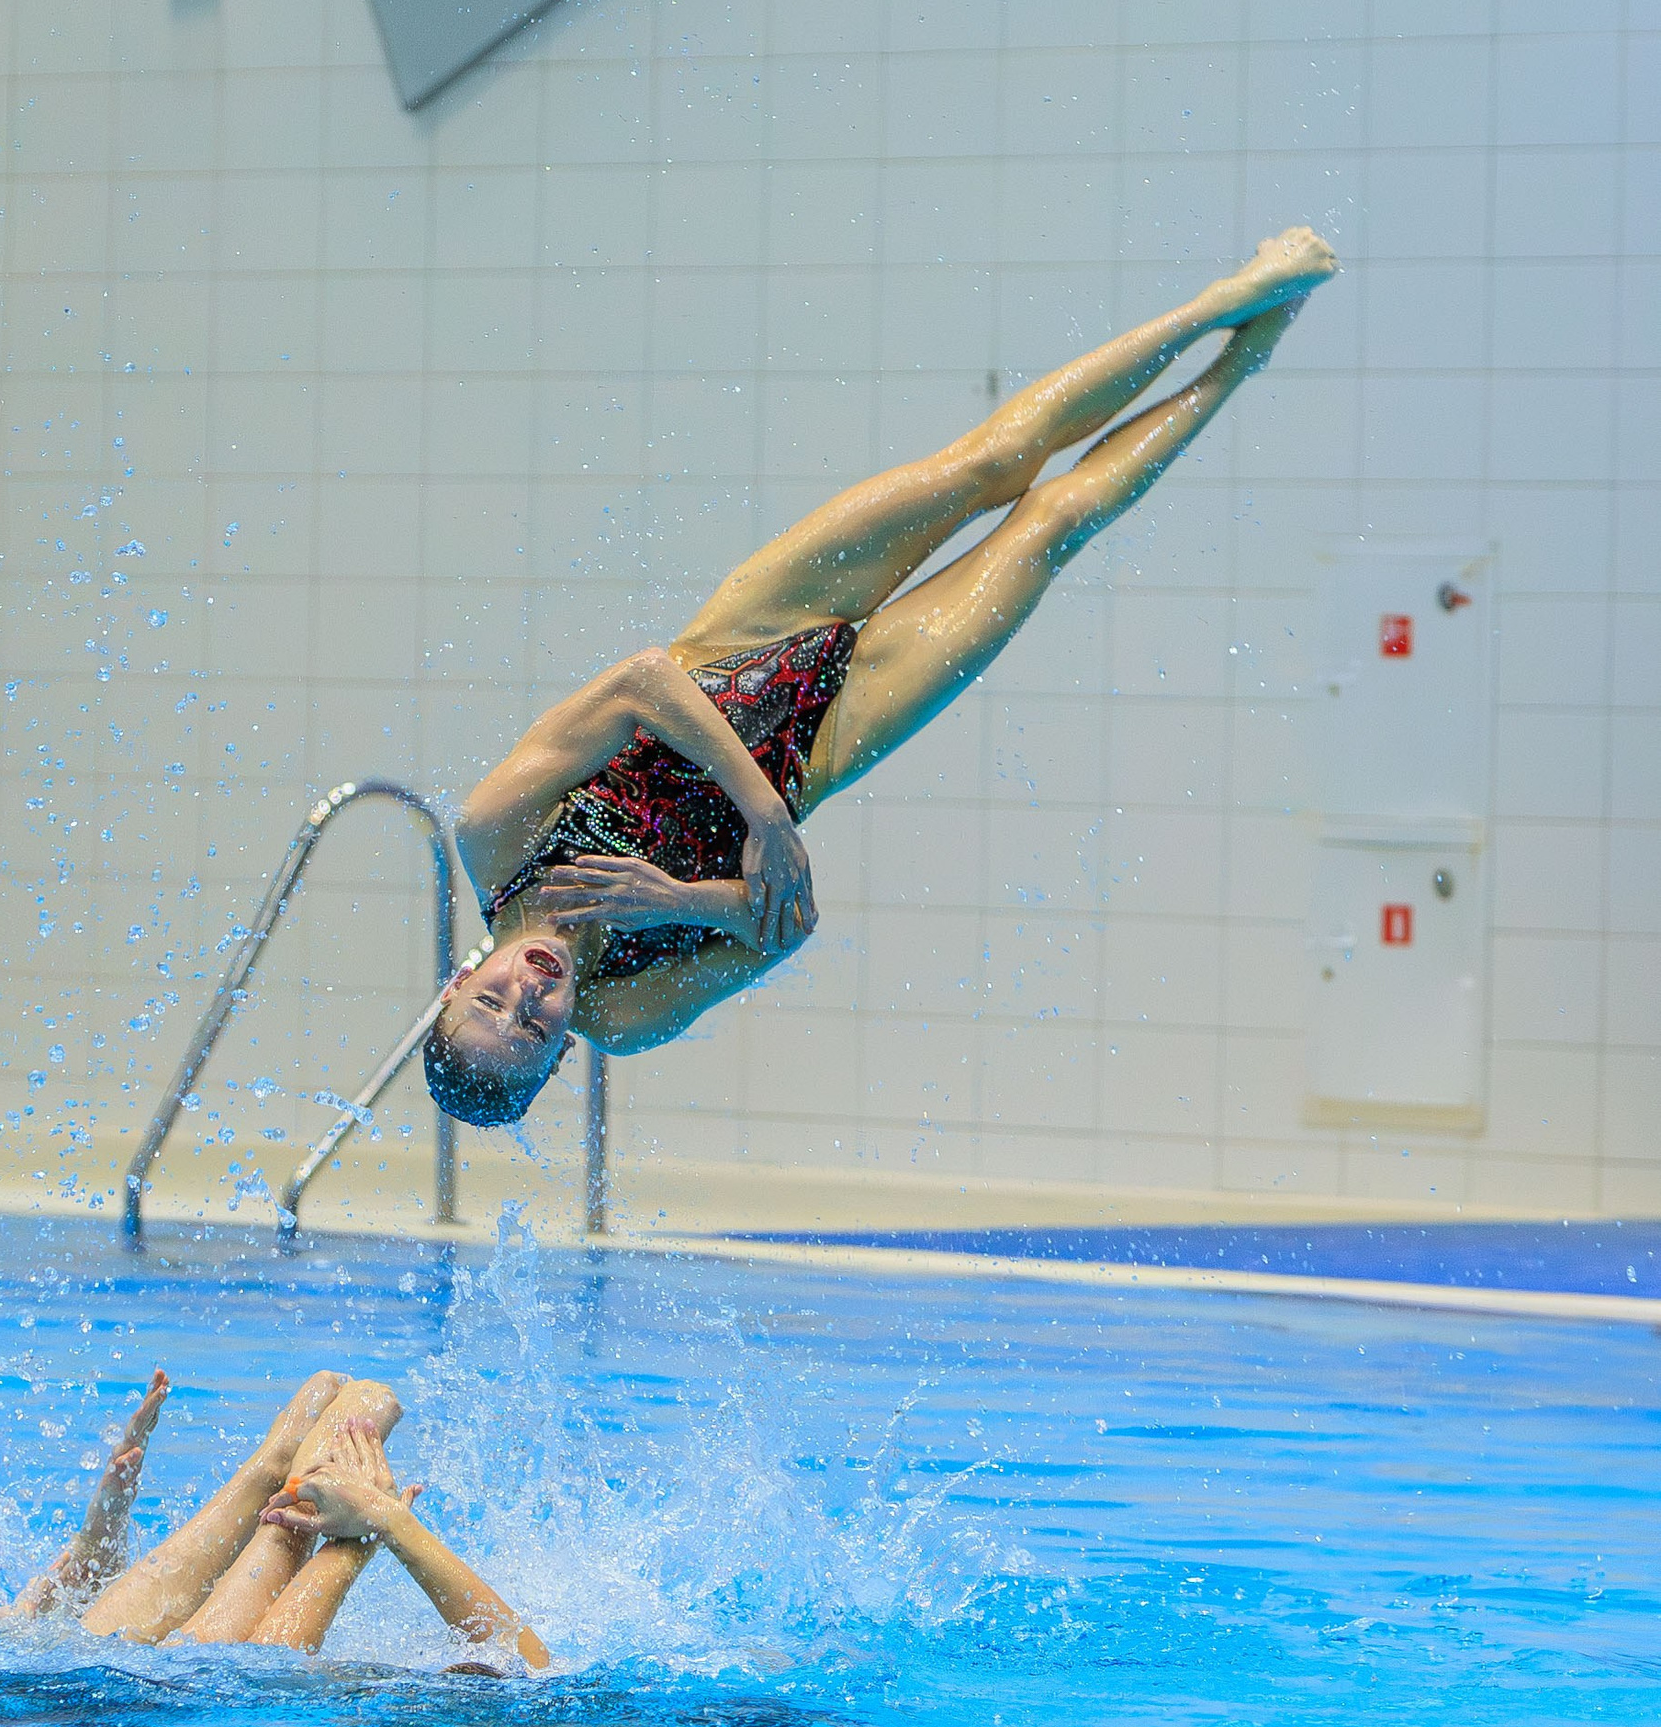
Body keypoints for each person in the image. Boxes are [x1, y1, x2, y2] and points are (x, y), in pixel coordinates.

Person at [426, 228, 1340, 1126]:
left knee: (991, 464)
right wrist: (678, 900)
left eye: (490, 1003)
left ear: (458, 982)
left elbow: (643, 683)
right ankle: (1246, 356)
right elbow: (784, 931)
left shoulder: (496, 842)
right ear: (558, 1056)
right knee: (1052, 524)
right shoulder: (626, 1016)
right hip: (827, 740)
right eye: (534, 1033)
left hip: (748, 637)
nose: (527, 1001)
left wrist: (763, 818)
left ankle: (1229, 300)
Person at [0, 1370, 549, 1672]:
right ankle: (302, 1494)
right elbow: (526, 1661)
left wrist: (100, 1532)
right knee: (193, 1640)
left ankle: (301, 1494)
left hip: (194, 1681)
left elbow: (528, 1665)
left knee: (185, 1646)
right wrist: (378, 1523)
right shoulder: (455, 1717)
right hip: (193, 1678)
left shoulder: (443, 1716)